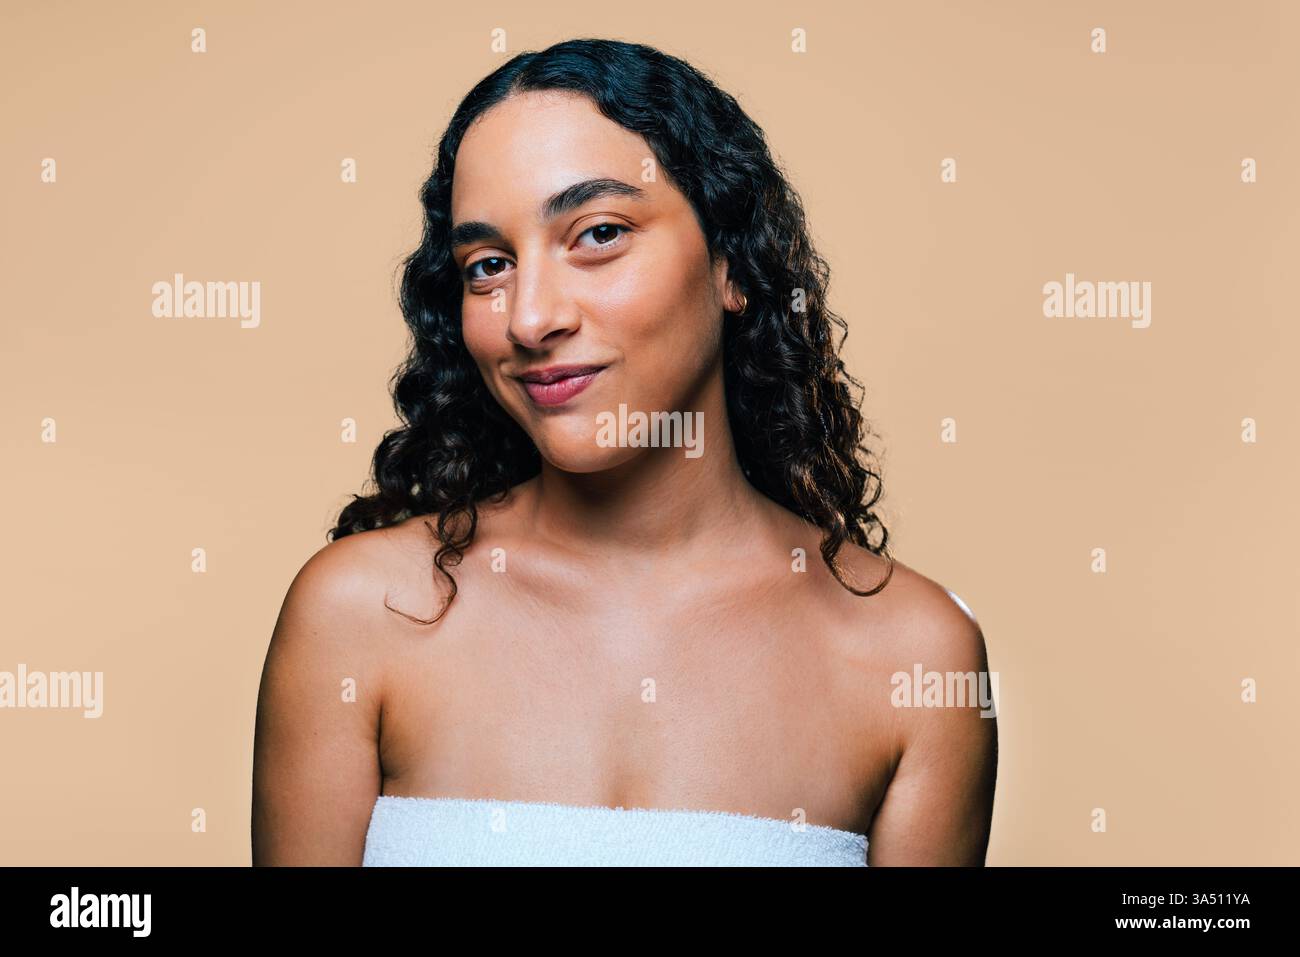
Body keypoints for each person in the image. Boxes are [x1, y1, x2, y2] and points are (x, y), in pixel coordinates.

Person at [251, 37, 997, 866]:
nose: (530, 319)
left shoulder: (914, 657)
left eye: (598, 233)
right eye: (488, 265)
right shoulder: (361, 617)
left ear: (731, 263)